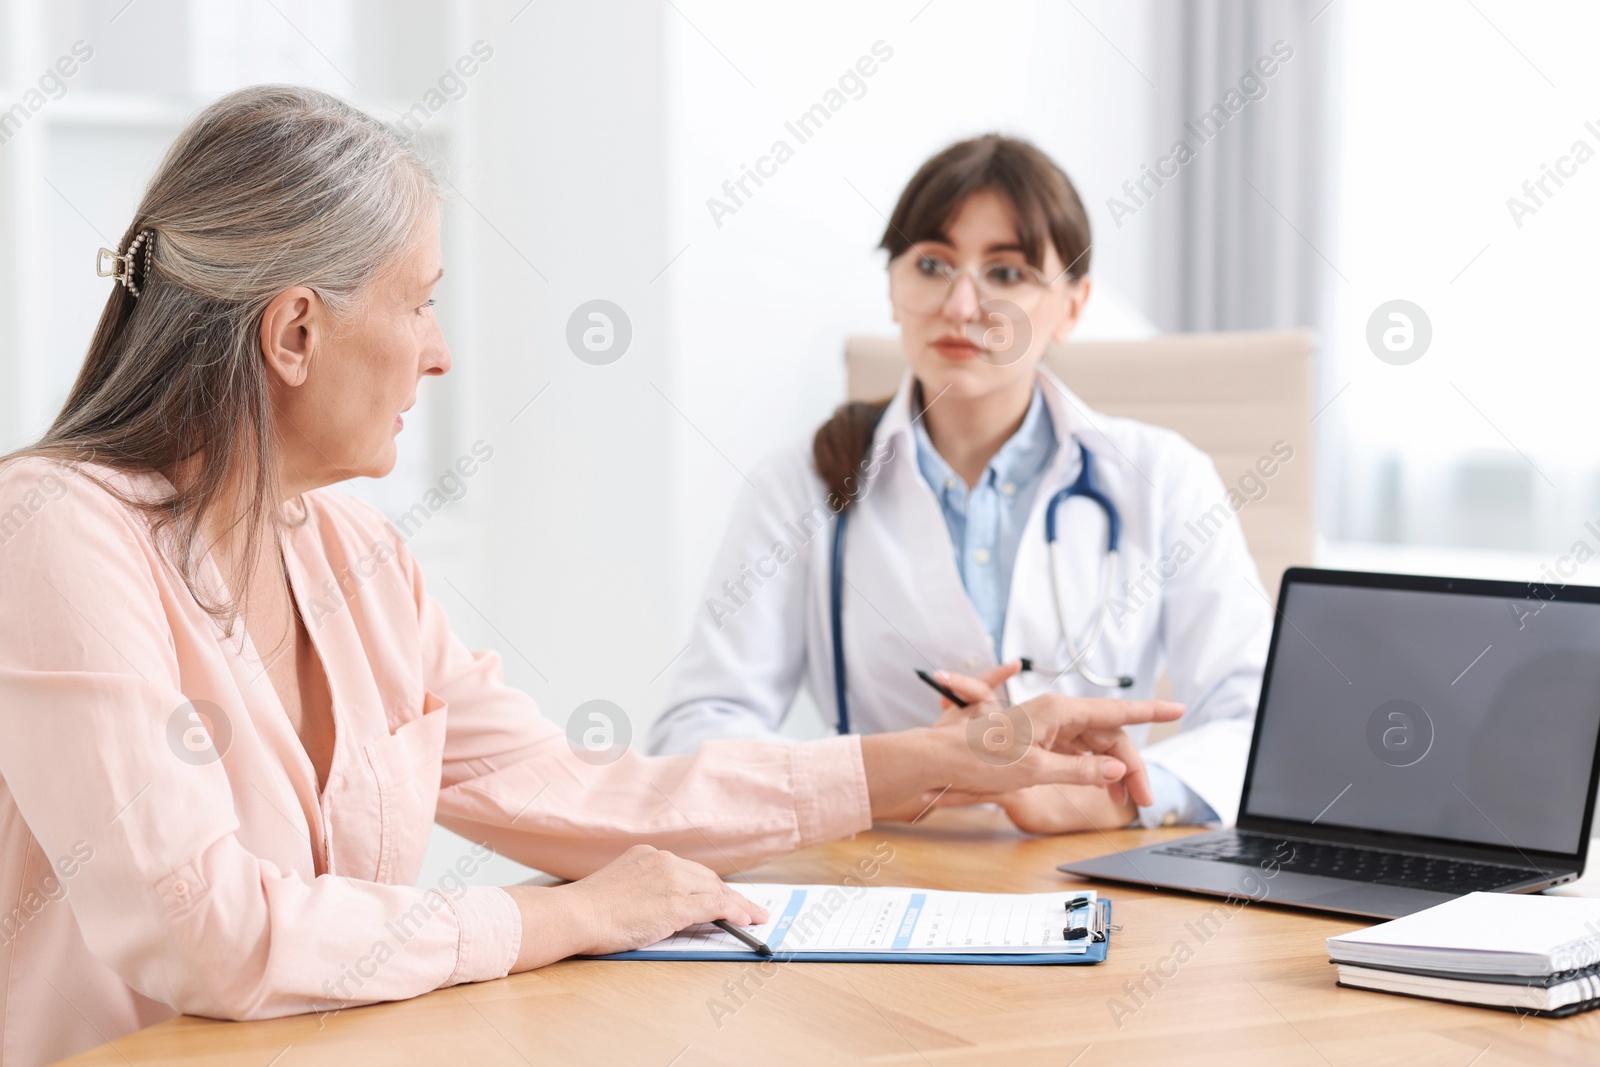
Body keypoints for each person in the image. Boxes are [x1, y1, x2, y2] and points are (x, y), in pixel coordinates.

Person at [0, 89, 1180, 1067]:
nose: (440, 348)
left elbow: (578, 793)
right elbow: (201, 928)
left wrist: (927, 762)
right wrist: (545, 918)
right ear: (295, 331)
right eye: (419, 301)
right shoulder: (55, 529)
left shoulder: (360, 561)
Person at [649, 135, 1274, 836]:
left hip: (1098, 876)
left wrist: (1126, 792)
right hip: (874, 885)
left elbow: (1258, 721)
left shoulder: (1162, 477)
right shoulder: (797, 487)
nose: (961, 303)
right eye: (933, 264)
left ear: (1073, 305)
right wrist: (894, 768)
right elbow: (695, 735)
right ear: (893, 287)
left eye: (1006, 273)